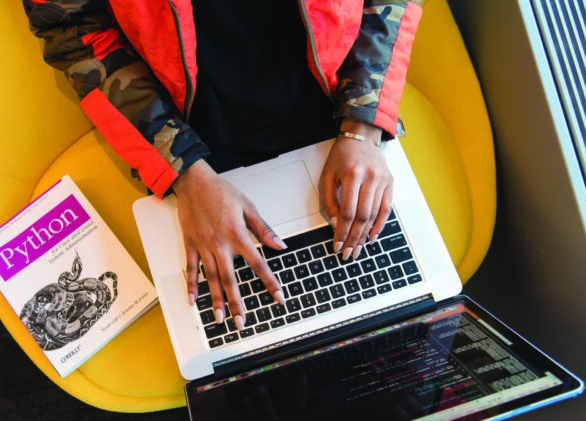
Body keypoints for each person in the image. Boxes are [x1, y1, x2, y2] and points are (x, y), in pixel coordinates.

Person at [23, 0, 423, 331]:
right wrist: (184, 170)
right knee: (238, 352)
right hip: (190, 141)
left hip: (340, 114)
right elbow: (74, 33)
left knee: (407, 324)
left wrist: (363, 123)